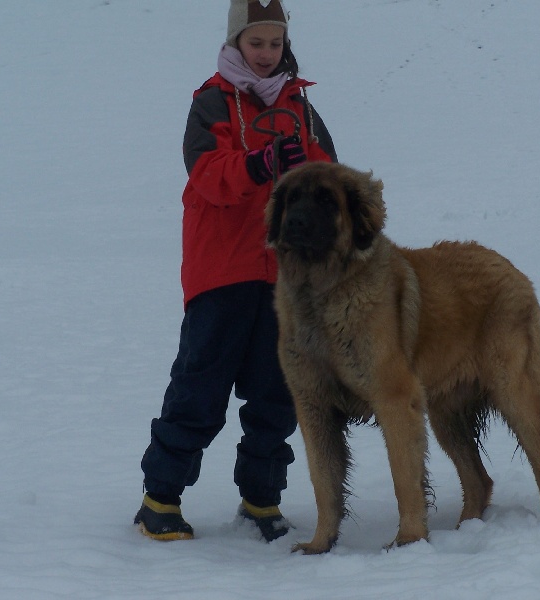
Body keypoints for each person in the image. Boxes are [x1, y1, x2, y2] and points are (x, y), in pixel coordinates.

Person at [134, 0, 337, 542]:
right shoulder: (211, 102)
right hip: (222, 270)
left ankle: (262, 500)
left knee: (278, 391)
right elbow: (207, 175)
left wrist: (309, 172)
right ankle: (161, 498)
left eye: (274, 44)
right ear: (235, 43)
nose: (267, 54)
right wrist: (261, 163)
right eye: (256, 43)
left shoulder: (300, 105)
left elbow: (330, 181)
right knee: (200, 387)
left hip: (287, 279)